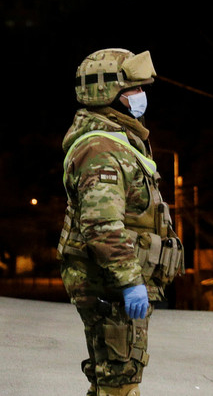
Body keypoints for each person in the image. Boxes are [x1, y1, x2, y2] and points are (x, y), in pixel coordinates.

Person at [58, 48, 185, 396]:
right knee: (120, 385)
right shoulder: (101, 148)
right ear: (110, 94)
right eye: (134, 90)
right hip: (109, 285)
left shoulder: (118, 140)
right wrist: (130, 282)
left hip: (110, 282)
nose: (141, 97)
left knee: (111, 381)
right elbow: (102, 225)